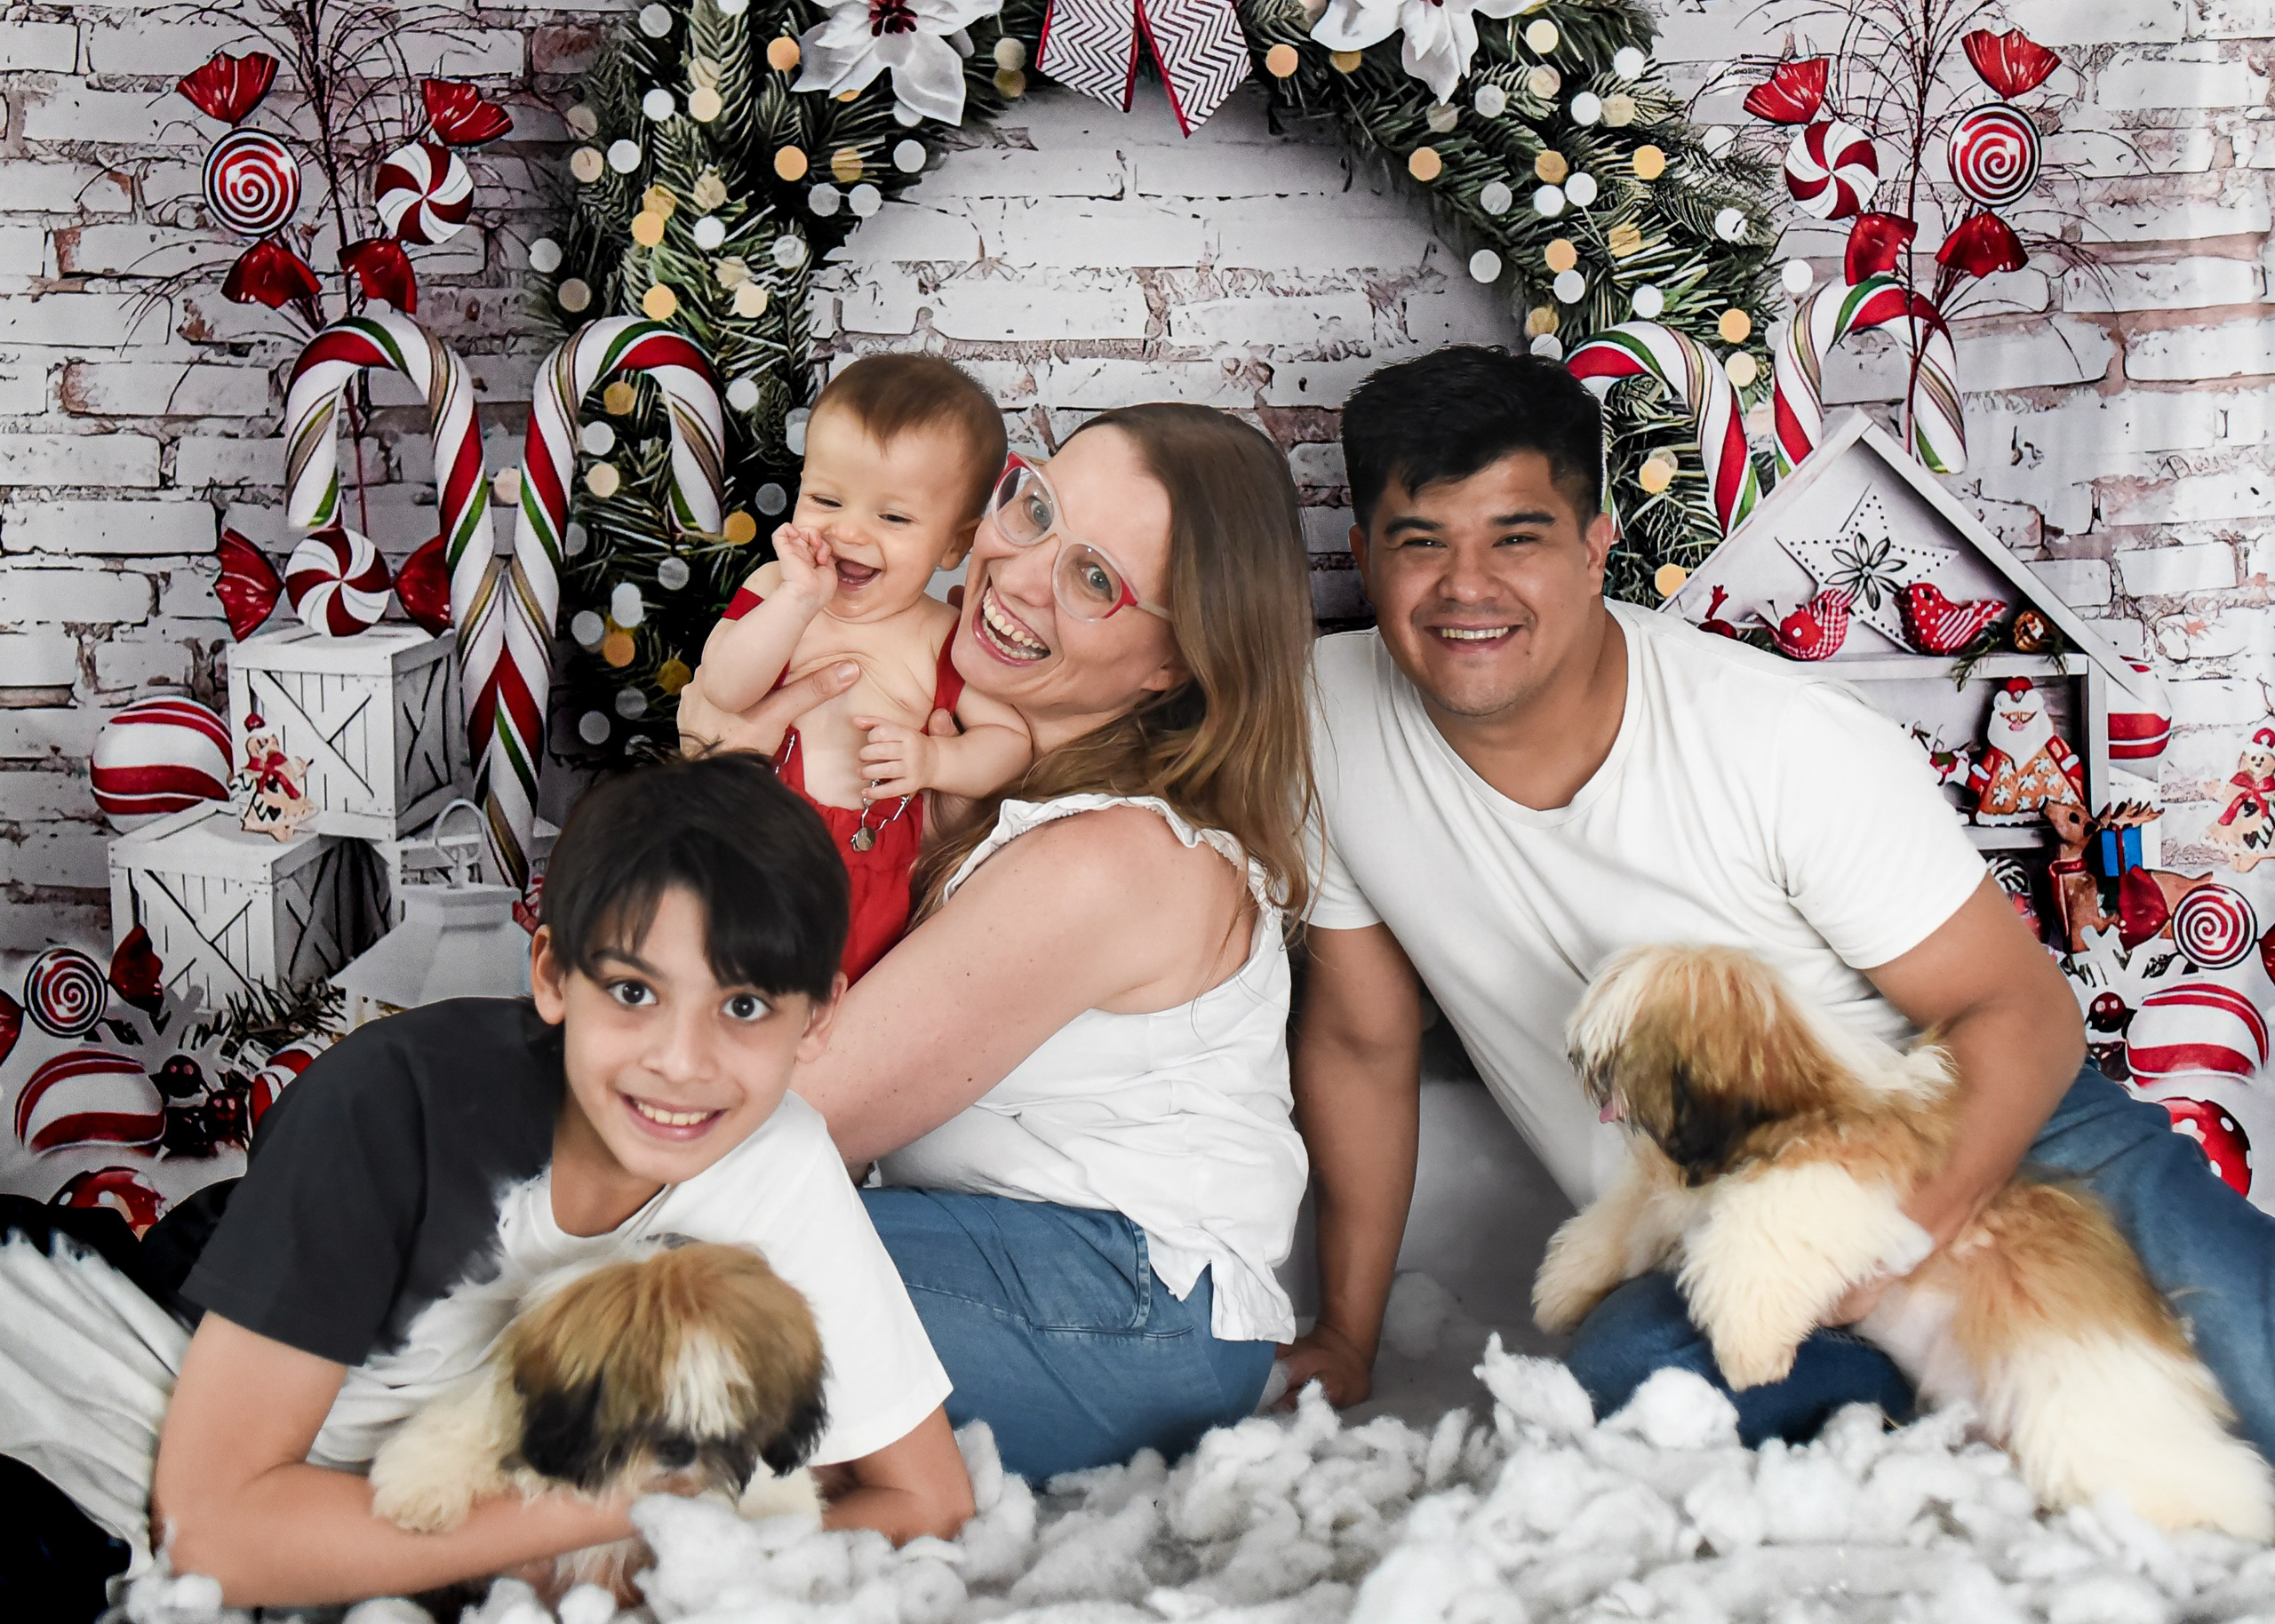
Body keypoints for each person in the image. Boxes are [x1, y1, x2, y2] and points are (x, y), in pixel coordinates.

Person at [1283, 344, 2275, 1459]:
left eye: (1517, 536)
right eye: (1422, 543)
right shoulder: (1326, 724)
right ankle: (1923, 1419)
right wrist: (1346, 1334)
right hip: (1717, 1223)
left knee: (2251, 1351)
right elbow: (1361, 1043)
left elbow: (2022, 1012)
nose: (1468, 587)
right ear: (1363, 554)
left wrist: (1894, 1242)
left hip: (1983, 1133)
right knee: (1635, 1393)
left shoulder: (1778, 742)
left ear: (1597, 547)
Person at [1, 754, 970, 1612]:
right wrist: (613, 1507)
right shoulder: (390, 1107)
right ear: (551, 975)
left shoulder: (781, 1160)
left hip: (364, 1496)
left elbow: (926, 1497)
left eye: (746, 1004)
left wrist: (668, 1570)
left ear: (817, 1018)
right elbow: (211, 1534)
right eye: (634, 992)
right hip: (131, 1352)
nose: (684, 1061)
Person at [722, 403, 1319, 1482]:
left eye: (1096, 580)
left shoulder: (1116, 858)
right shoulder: (956, 771)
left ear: (1172, 665)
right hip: (994, 1246)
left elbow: (789, 1103)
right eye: (1033, 507)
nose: (1019, 572)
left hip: (1128, 1307)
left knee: (650, 1296)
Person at [678, 354, 1033, 981]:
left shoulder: (942, 638)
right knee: (709, 979)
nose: (849, 532)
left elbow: (1009, 743)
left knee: (844, 1008)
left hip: (867, 869)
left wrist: (936, 763)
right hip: (742, 842)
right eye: (825, 498)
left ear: (955, 542)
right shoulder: (773, 589)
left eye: (892, 517)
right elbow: (726, 689)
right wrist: (797, 601)